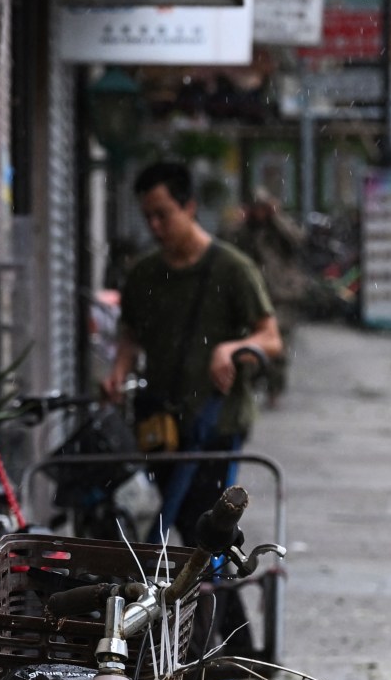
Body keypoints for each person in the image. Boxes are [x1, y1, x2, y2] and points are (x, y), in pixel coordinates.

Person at [106, 161, 284, 541]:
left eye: (163, 215)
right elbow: (130, 333)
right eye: (148, 217)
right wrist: (119, 369)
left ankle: (215, 581)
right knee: (163, 526)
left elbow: (270, 338)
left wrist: (233, 349)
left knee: (203, 528)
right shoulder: (143, 273)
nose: (155, 226)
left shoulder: (232, 269)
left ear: (189, 207)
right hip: (160, 424)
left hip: (216, 423)